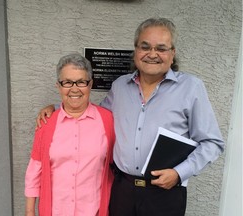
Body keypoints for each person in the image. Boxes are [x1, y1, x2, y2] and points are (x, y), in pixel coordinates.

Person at [36, 18, 224, 216]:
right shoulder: (120, 86)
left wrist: (179, 173)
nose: (152, 54)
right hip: (122, 191)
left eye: (161, 48)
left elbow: (212, 143)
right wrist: (58, 108)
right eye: (145, 47)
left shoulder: (191, 88)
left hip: (165, 193)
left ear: (172, 53)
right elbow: (95, 117)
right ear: (136, 51)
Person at [25, 53, 115, 216]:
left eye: (81, 82)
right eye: (67, 82)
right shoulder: (46, 123)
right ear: (58, 86)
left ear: (90, 84)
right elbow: (34, 170)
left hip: (94, 211)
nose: (74, 89)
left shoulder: (107, 120)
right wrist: (30, 211)